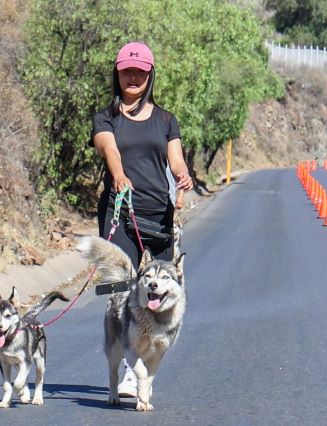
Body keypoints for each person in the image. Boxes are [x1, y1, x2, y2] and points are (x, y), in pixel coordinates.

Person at [90, 41, 193, 397]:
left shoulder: (166, 120)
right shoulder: (106, 117)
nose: (132, 77)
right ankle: (129, 365)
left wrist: (182, 177)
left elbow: (175, 160)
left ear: (149, 76)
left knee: (155, 290)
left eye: (139, 72)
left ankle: (143, 361)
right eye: (126, 71)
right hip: (119, 212)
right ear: (117, 75)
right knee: (120, 288)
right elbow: (109, 148)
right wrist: (118, 175)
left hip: (157, 217)